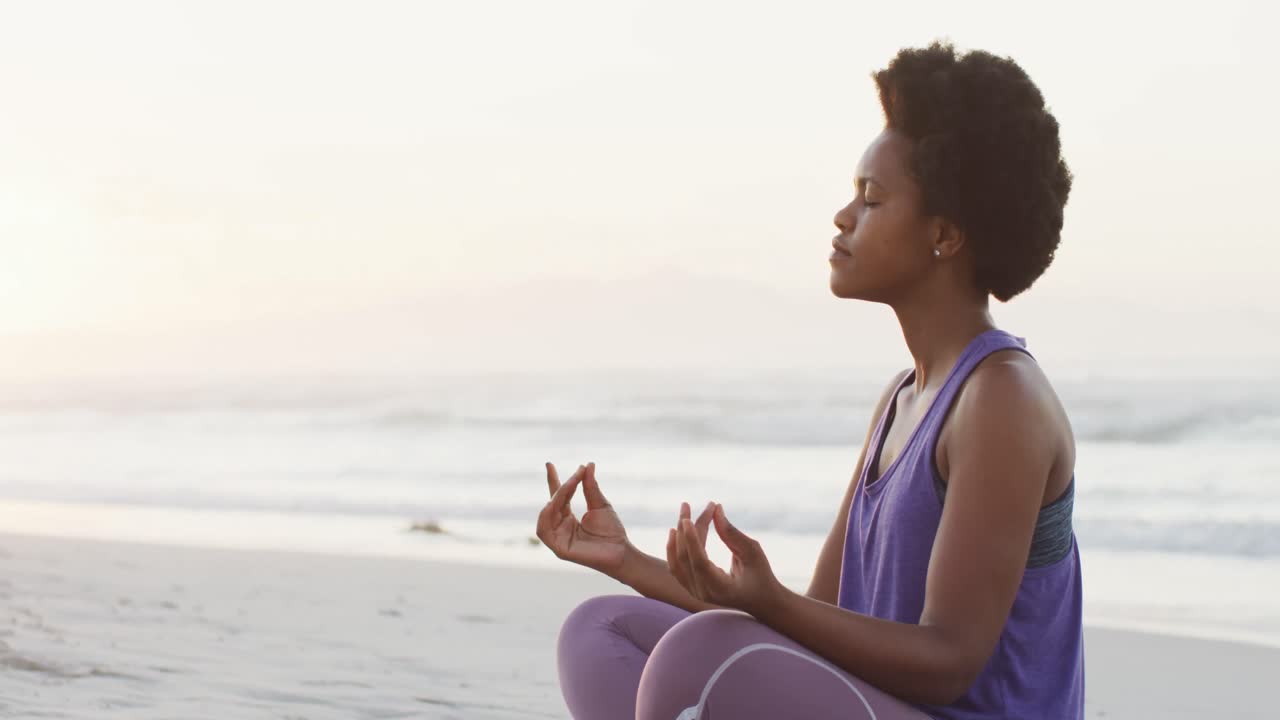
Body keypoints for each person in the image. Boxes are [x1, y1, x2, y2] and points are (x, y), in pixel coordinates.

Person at [535, 40, 1082, 720]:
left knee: (699, 658)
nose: (843, 216)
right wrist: (630, 561)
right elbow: (816, 620)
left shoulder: (1001, 399)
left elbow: (948, 663)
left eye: (872, 199)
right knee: (601, 631)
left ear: (944, 235)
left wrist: (770, 602)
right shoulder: (904, 397)